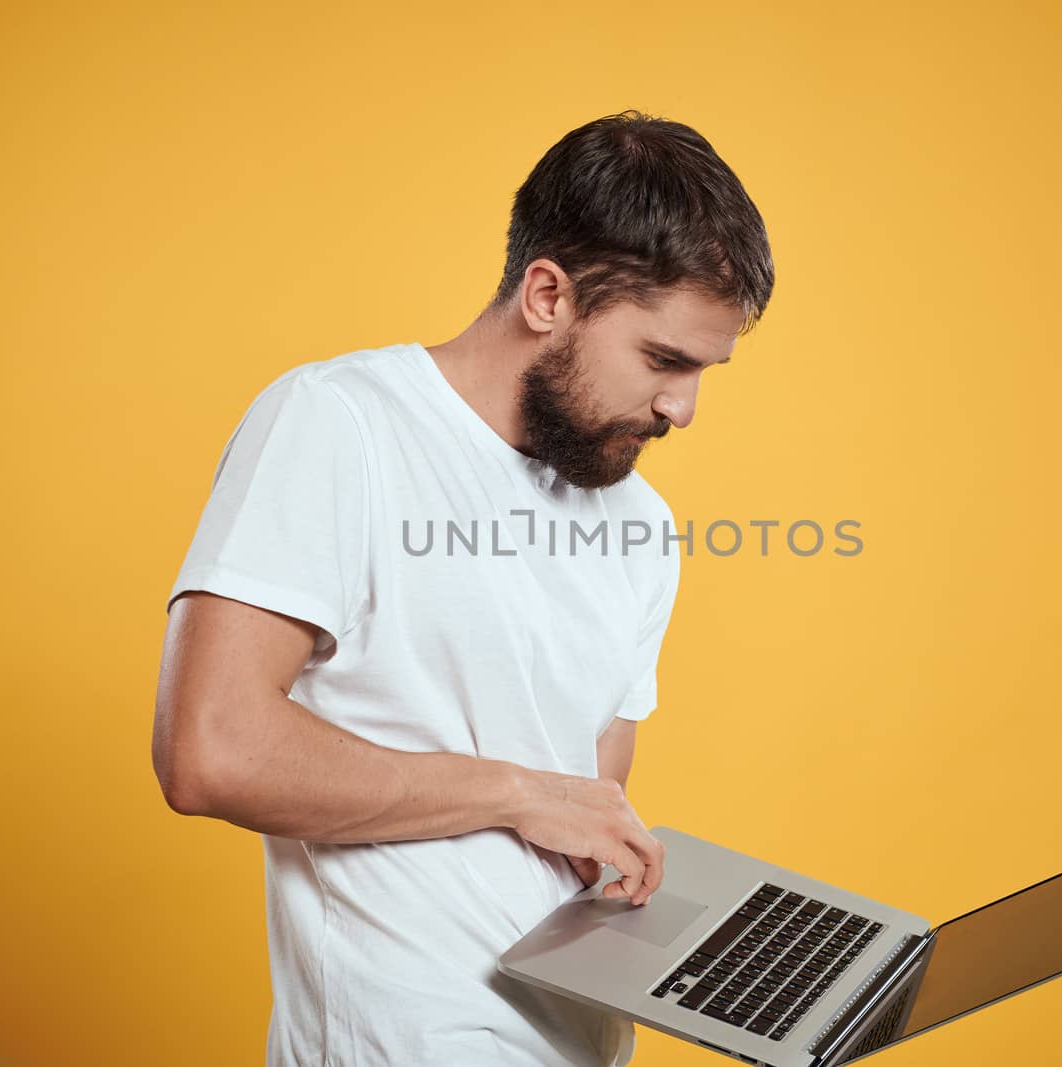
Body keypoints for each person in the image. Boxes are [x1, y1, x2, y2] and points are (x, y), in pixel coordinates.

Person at [152, 109, 774, 1065]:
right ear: (547, 296)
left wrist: (715, 949)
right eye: (663, 359)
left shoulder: (642, 527)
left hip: (578, 1043)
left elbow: (589, 803)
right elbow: (211, 748)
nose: (682, 409)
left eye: (704, 371)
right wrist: (517, 792)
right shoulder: (339, 427)